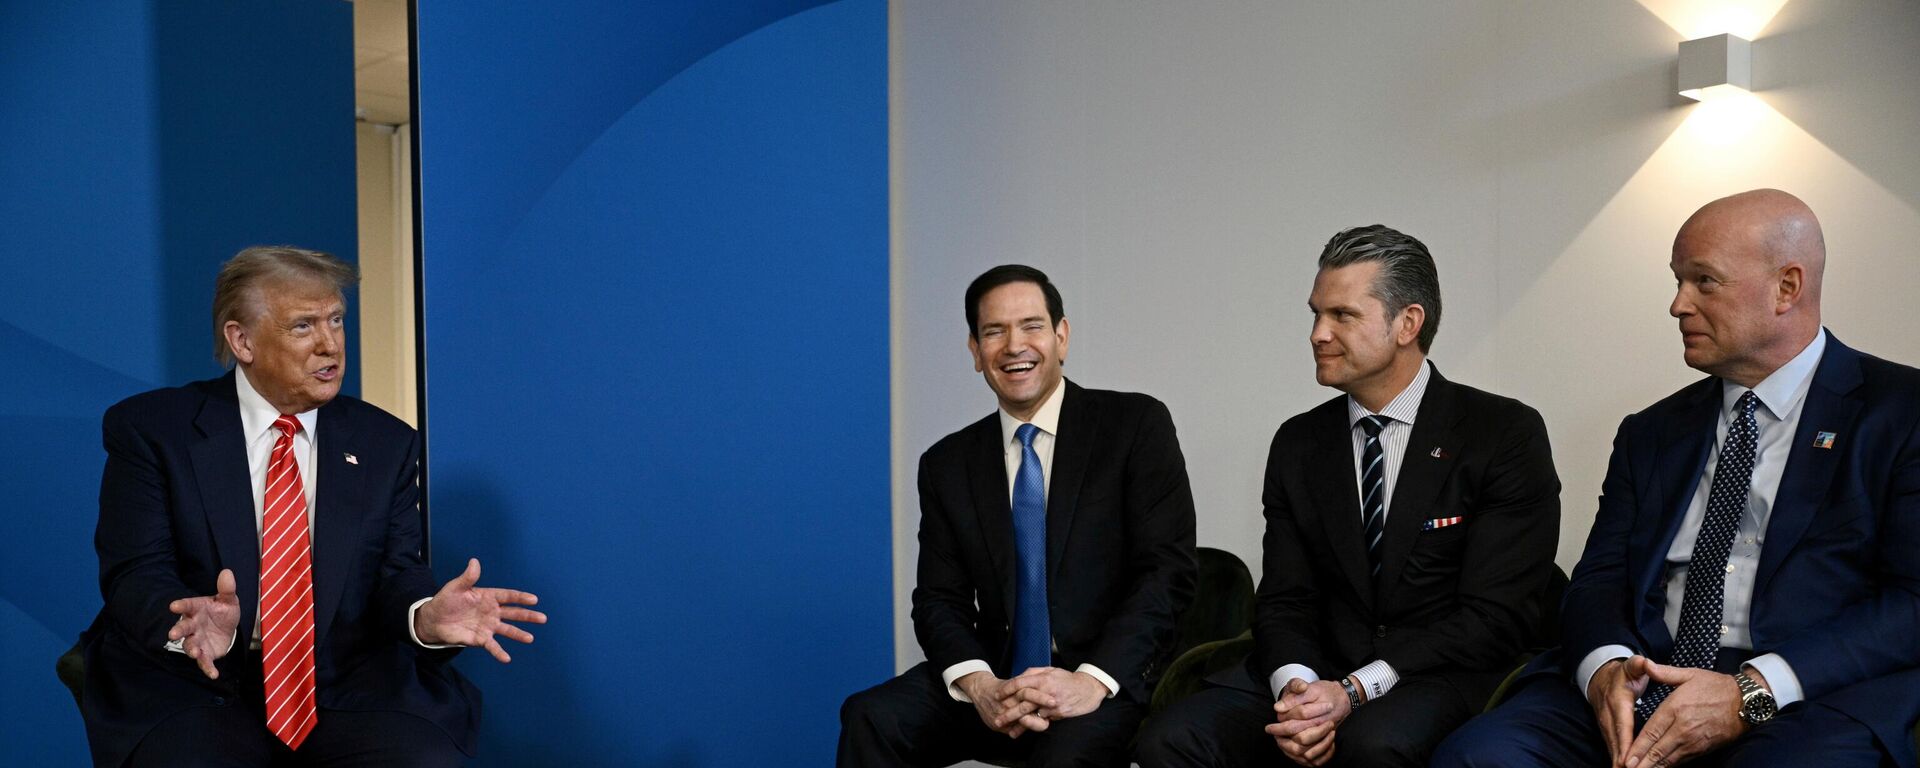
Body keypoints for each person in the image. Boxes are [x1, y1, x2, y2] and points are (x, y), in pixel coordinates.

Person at [1433, 189, 1920, 768]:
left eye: (1704, 281)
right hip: (1642, 681)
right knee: (1480, 756)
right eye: (1677, 280)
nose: (1678, 304)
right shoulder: (1652, 431)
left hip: (1806, 695)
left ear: (1786, 288)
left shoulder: (1900, 413)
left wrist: (1752, 691)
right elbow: (1599, 578)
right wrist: (1605, 667)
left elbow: (1912, 601)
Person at [79, 245, 546, 767]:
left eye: (337, 320)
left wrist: (424, 615)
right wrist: (192, 624)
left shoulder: (383, 443)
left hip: (340, 683)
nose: (330, 345)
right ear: (242, 340)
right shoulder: (155, 431)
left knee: (425, 757)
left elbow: (394, 575)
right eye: (303, 327)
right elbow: (135, 573)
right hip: (194, 682)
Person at [1136, 225, 1562, 768]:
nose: (1318, 333)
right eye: (1315, 313)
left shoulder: (1503, 433)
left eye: (1342, 315)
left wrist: (1355, 690)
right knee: (1172, 738)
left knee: (1372, 746)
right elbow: (1286, 598)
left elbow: (1495, 619)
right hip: (1316, 670)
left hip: (1437, 674)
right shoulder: (1298, 442)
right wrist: (1297, 688)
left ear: (1408, 323)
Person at [838, 264, 1198, 767]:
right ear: (975, 352)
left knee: (1061, 757)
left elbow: (1168, 573)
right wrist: (981, 685)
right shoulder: (947, 464)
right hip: (1000, 676)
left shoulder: (1134, 425)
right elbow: (939, 599)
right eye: (994, 332)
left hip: (1103, 677)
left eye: (1031, 326)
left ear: (1061, 336)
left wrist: (1091, 681)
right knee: (870, 715)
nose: (1014, 346)